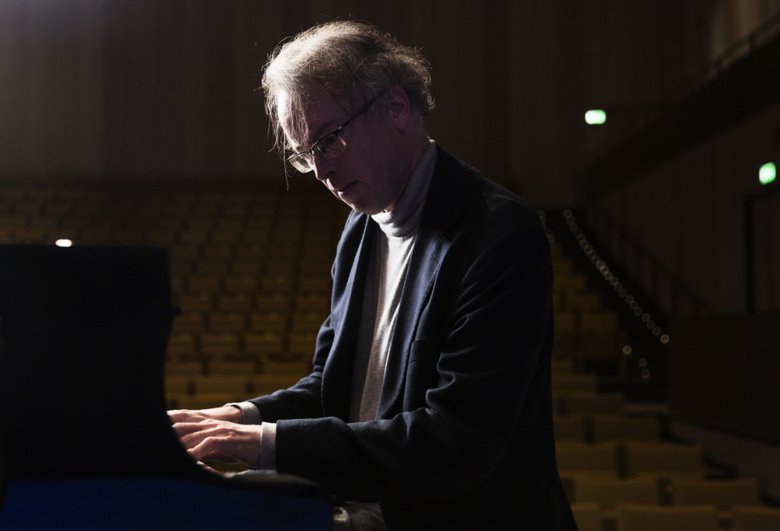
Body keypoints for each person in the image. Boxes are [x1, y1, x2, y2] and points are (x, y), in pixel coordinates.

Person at [170, 20, 577, 530]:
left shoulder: (499, 233)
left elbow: (454, 441)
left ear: (396, 107)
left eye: (329, 140)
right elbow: (332, 388)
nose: (321, 171)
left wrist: (261, 444)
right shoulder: (360, 229)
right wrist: (237, 417)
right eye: (305, 155)